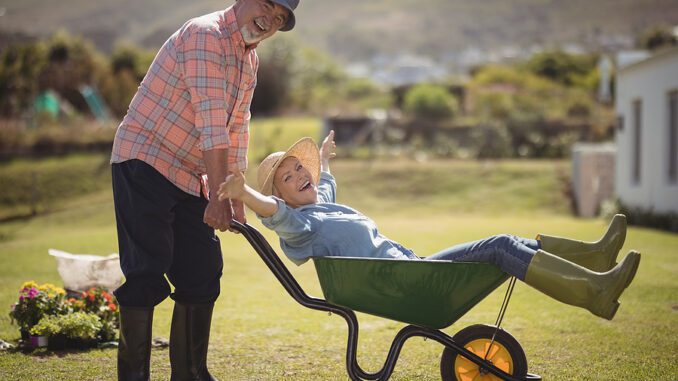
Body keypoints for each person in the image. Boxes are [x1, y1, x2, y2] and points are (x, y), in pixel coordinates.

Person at [217, 131, 641, 321]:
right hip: (408, 283)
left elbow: (324, 184)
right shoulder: (301, 225)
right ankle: (593, 292)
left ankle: (594, 258)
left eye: (298, 169)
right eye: (288, 178)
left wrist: (324, 157)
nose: (299, 177)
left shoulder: (321, 207)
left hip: (413, 270)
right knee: (499, 247)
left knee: (506, 242)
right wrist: (243, 194)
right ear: (283, 195)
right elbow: (275, 214)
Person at [109, 1, 300, 380]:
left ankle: (190, 374)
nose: (270, 20)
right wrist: (216, 197)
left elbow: (237, 128)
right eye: (267, 5)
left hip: (189, 171)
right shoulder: (205, 35)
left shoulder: (249, 59)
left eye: (279, 18)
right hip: (145, 158)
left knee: (202, 271)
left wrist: (236, 194)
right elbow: (211, 122)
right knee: (147, 269)